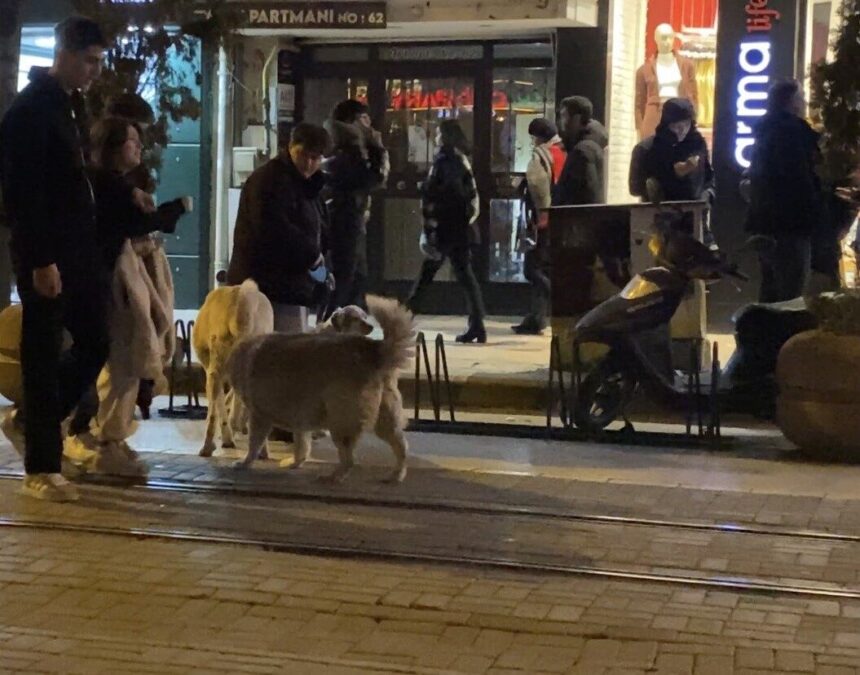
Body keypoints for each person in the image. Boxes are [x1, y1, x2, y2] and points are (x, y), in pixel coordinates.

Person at [0, 18, 151, 501]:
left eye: (99, 61)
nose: (95, 70)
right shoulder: (30, 112)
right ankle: (42, 466)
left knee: (94, 340)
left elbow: (79, 176)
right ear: (62, 53)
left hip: (78, 251)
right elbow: (22, 193)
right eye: (89, 60)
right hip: (48, 255)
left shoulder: (71, 105)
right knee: (43, 355)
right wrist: (40, 259)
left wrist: (123, 194)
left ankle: (33, 422)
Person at [63, 117, 188, 477]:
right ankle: (85, 433)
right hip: (107, 283)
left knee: (120, 358)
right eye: (133, 140)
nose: (139, 147)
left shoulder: (116, 184)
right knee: (115, 358)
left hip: (112, 281)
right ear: (113, 147)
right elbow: (131, 224)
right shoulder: (105, 186)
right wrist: (174, 209)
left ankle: (104, 436)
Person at [227, 122, 332, 334]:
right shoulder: (269, 180)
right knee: (275, 348)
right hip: (266, 289)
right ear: (291, 147)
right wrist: (312, 256)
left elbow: (318, 231)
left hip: (292, 287)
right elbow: (274, 230)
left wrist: (321, 269)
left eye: (315, 158)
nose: (309, 163)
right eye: (304, 155)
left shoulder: (309, 187)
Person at [407, 120, 486, 344]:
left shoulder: (447, 160)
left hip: (446, 228)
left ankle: (402, 320)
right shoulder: (460, 159)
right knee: (464, 275)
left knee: (427, 275)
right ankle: (477, 324)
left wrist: (427, 190)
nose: (436, 138)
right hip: (460, 227)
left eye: (439, 133)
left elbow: (447, 192)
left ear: (446, 136)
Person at [745, 79, 821, 303]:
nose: (804, 102)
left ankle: (764, 326)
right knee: (791, 295)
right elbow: (799, 180)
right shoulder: (793, 133)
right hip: (791, 225)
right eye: (801, 97)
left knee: (770, 290)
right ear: (791, 102)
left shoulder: (765, 132)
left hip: (765, 224)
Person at [323, 99, 388, 318]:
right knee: (345, 280)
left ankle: (343, 325)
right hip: (344, 220)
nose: (369, 124)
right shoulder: (347, 150)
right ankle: (329, 326)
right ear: (353, 122)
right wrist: (377, 147)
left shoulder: (345, 147)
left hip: (349, 219)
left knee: (355, 279)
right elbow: (373, 178)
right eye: (364, 118)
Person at [512, 118, 566, 335]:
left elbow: (537, 183)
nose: (532, 141)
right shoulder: (563, 151)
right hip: (561, 218)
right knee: (544, 267)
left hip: (543, 219)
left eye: (533, 137)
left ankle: (557, 300)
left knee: (532, 269)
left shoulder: (540, 154)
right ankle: (537, 318)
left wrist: (542, 212)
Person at [553, 96, 608, 206]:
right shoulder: (589, 146)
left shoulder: (583, 150)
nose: (561, 123)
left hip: (576, 216)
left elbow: (589, 196)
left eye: (564, 116)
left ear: (576, 119)